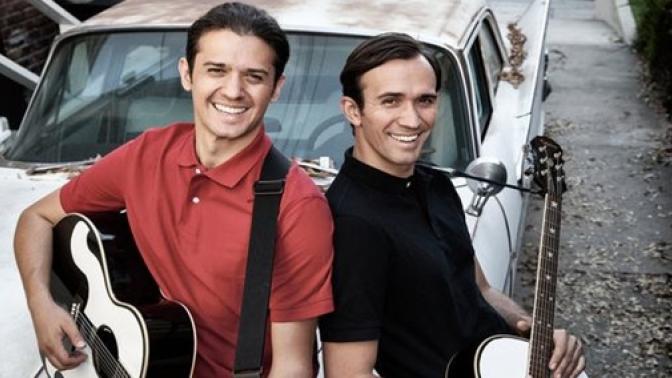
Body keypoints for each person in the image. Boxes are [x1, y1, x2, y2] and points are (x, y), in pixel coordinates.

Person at [14, 3, 334, 377]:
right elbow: (35, 217)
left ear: (276, 87)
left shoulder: (296, 206)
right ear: (187, 74)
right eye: (216, 70)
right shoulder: (148, 154)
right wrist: (41, 306)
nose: (233, 91)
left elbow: (293, 365)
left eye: (254, 77)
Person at [319, 33, 586, 378]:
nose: (413, 120)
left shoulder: (436, 186)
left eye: (425, 100)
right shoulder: (353, 224)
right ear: (353, 110)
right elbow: (348, 373)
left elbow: (481, 290)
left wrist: (534, 331)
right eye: (391, 101)